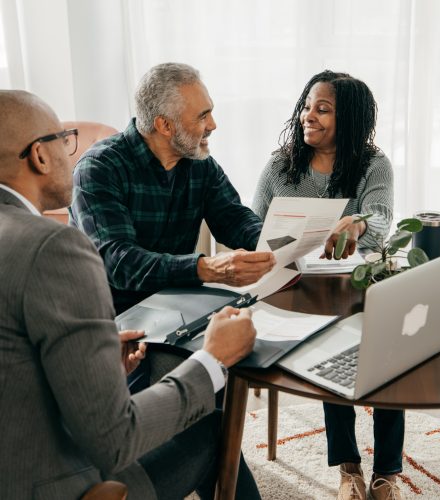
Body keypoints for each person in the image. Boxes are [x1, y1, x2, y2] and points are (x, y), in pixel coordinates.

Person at [0, 90, 261, 499]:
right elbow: (115, 439)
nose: (72, 152)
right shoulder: (54, 247)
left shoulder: (200, 165)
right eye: (64, 139)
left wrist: (91, 363)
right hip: (51, 481)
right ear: (39, 155)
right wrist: (213, 359)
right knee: (212, 427)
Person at [252, 71, 402, 500]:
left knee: (391, 354)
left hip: (359, 286)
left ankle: (387, 474)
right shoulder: (281, 165)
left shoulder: (374, 165)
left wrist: (358, 222)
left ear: (349, 119)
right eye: (307, 106)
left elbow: (379, 221)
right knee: (329, 343)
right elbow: (250, 224)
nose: (308, 117)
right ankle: (349, 466)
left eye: (322, 109)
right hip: (296, 288)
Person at [69, 62, 275, 315]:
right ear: (164, 126)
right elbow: (119, 262)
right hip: (109, 316)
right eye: (202, 116)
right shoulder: (99, 168)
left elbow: (233, 218)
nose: (213, 124)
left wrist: (275, 242)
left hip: (172, 306)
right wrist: (205, 268)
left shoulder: (200, 163)